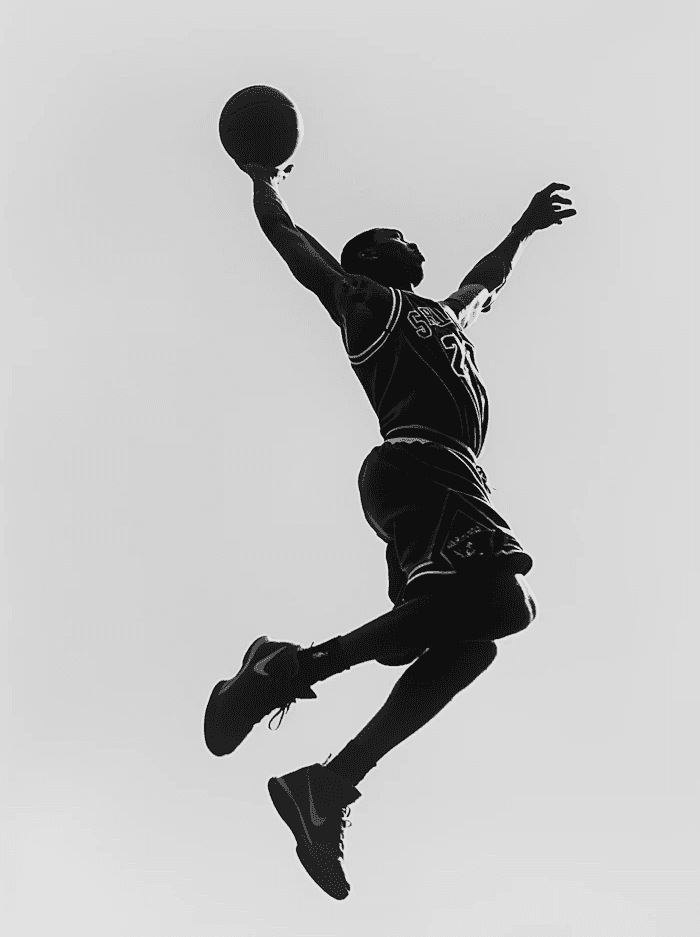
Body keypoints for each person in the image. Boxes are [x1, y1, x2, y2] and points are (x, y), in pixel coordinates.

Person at [204, 159, 577, 899]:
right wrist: (262, 175)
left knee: (464, 645)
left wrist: (521, 231)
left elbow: (483, 281)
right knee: (508, 607)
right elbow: (289, 239)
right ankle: (288, 674)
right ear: (371, 258)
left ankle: (327, 782)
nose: (421, 249)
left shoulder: (440, 313)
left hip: (446, 477)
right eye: (403, 238)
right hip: (418, 464)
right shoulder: (364, 299)